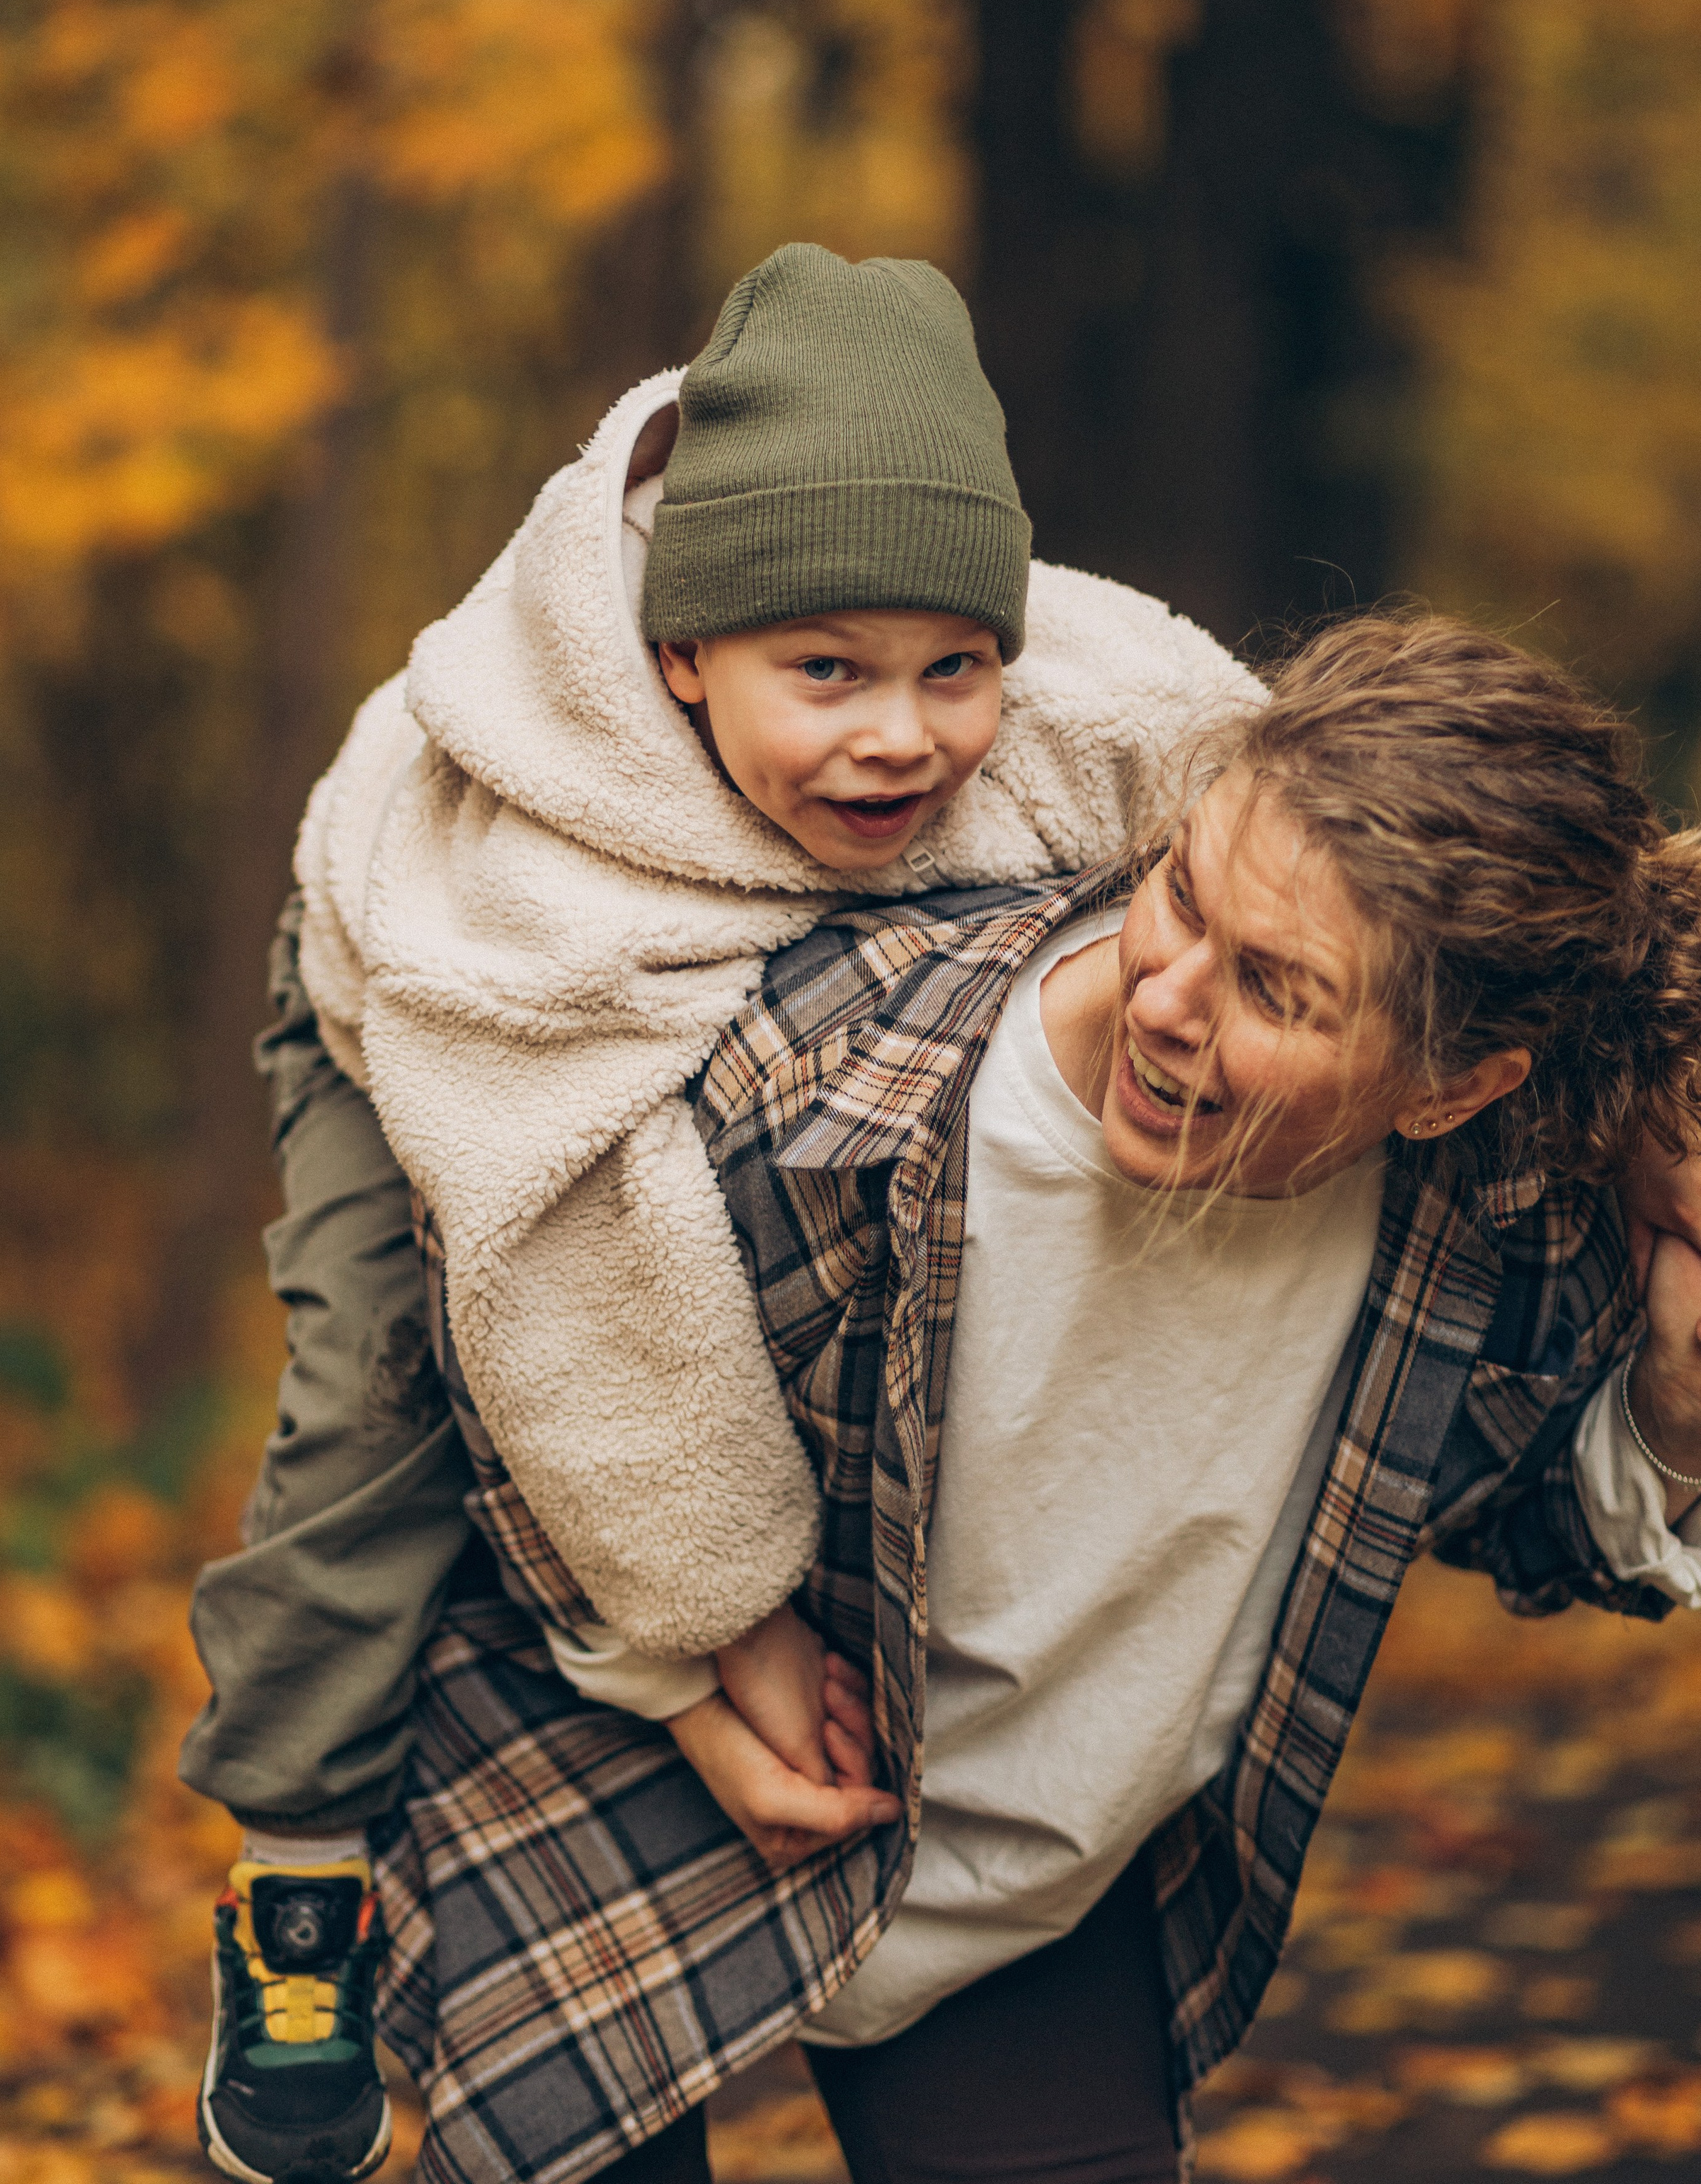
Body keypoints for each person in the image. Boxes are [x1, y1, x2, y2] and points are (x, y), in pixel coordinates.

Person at [367, 612, 1701, 2184]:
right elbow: (516, 1349)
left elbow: (1526, 1523)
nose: (1165, 997)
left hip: (1022, 1897)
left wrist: (1671, 1405)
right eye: (1181, 893)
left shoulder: (1477, 1212)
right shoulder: (829, 1086)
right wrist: (680, 1673)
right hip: (628, 1794)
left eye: (1273, 990)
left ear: (1448, 1087)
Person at [184, 243, 1259, 2184]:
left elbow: (1304, 816)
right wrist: (718, 1634)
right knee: (377, 1391)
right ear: (685, 654)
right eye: (824, 674)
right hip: (415, 1005)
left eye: (953, 670)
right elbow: (564, 1273)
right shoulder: (523, 851)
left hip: (711, 982)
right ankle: (298, 1874)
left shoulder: (1085, 706)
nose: (901, 737)